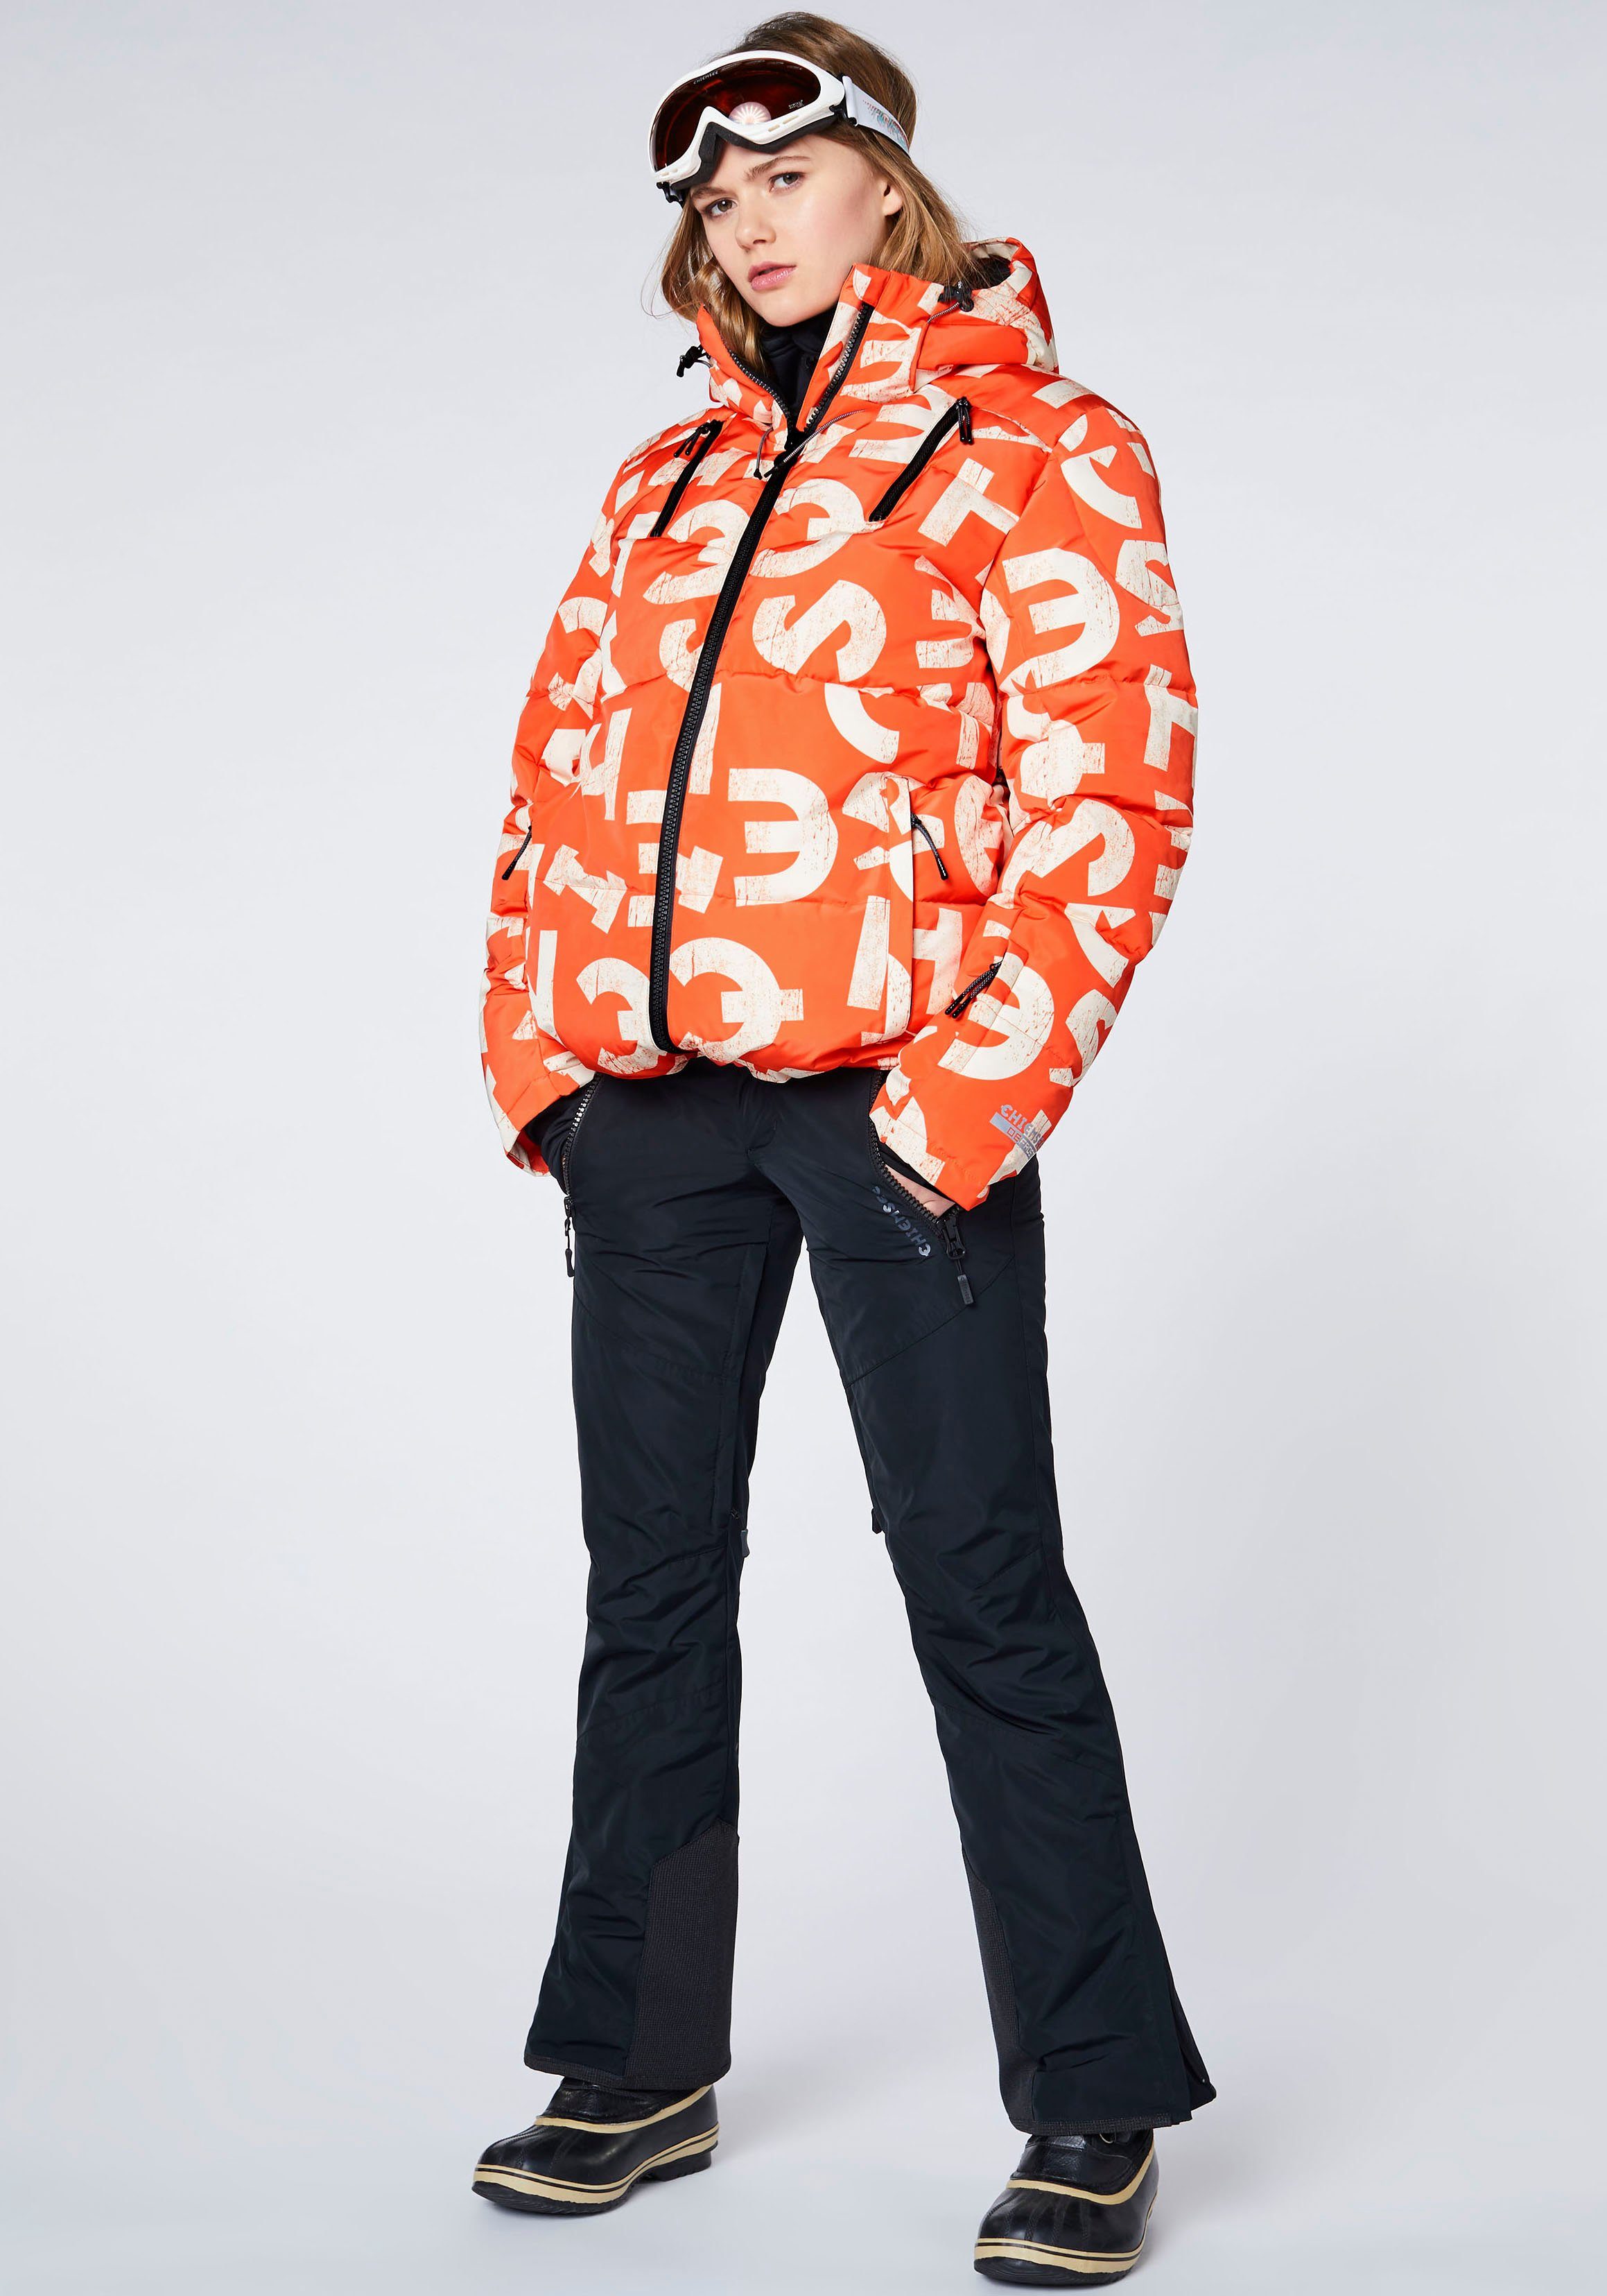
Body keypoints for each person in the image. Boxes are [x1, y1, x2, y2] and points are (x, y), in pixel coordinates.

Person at [470, 14, 1213, 2281]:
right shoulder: (663, 479)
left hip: (897, 1107)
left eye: (784, 176)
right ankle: (635, 2063)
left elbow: (1117, 792)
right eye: (715, 200)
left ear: (886, 177)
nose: (748, 222)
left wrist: (957, 1114)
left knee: (982, 1584)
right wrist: (547, 1073)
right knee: (647, 1591)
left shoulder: (1036, 443)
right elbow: (554, 781)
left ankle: (1092, 2100)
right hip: (655, 1117)